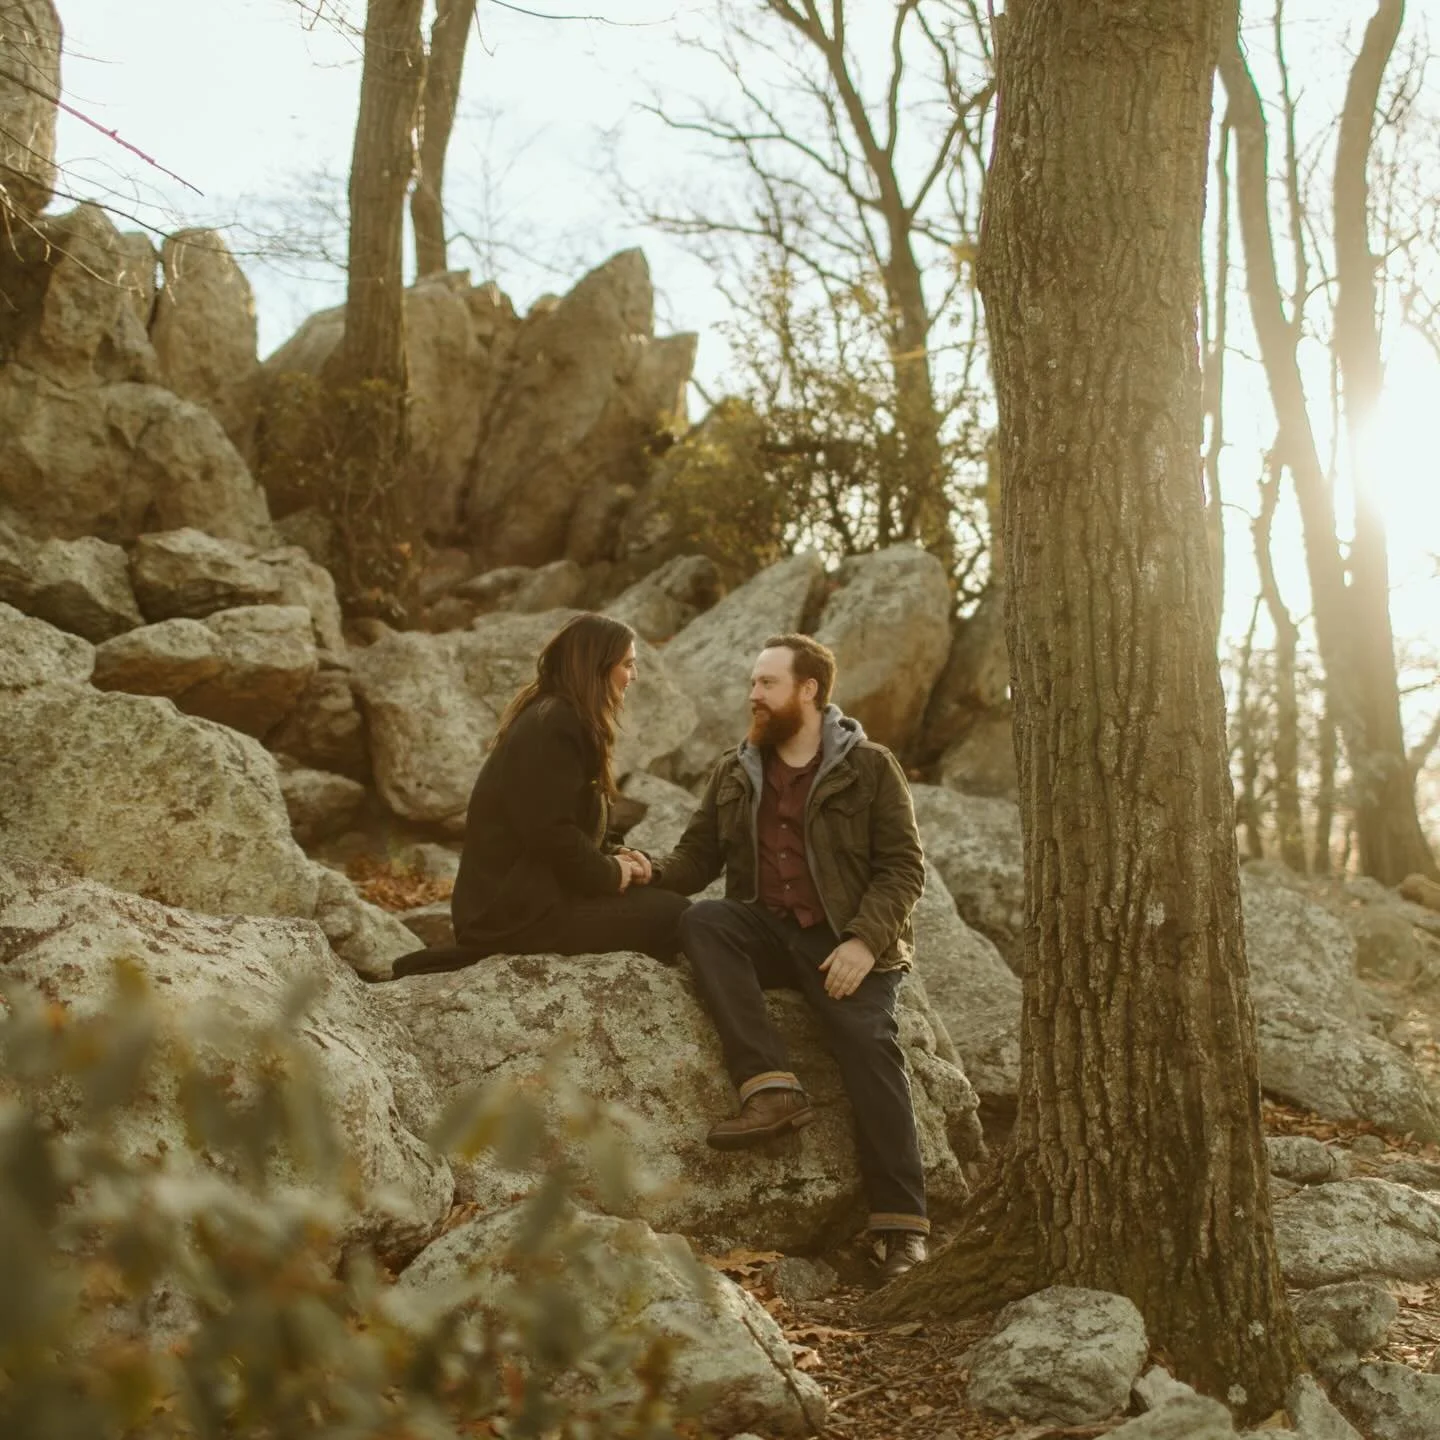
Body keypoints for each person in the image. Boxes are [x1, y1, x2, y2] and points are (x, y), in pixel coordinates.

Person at [652, 633, 930, 1280]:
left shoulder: (870, 766)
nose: (753, 694)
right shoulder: (736, 767)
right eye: (753, 682)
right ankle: (772, 1090)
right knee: (707, 921)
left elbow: (903, 868)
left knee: (867, 1045)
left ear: (808, 691)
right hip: (768, 930)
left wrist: (864, 943)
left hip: (844, 939)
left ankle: (903, 1228)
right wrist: (643, 870)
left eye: (767, 683)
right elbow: (696, 859)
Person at [390, 613, 688, 978]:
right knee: (676, 915)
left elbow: (563, 820)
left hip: (525, 901)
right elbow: (549, 833)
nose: (634, 676)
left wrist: (619, 854)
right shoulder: (556, 724)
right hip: (516, 912)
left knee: (669, 908)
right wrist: (610, 874)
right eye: (628, 664)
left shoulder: (556, 717)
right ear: (597, 666)